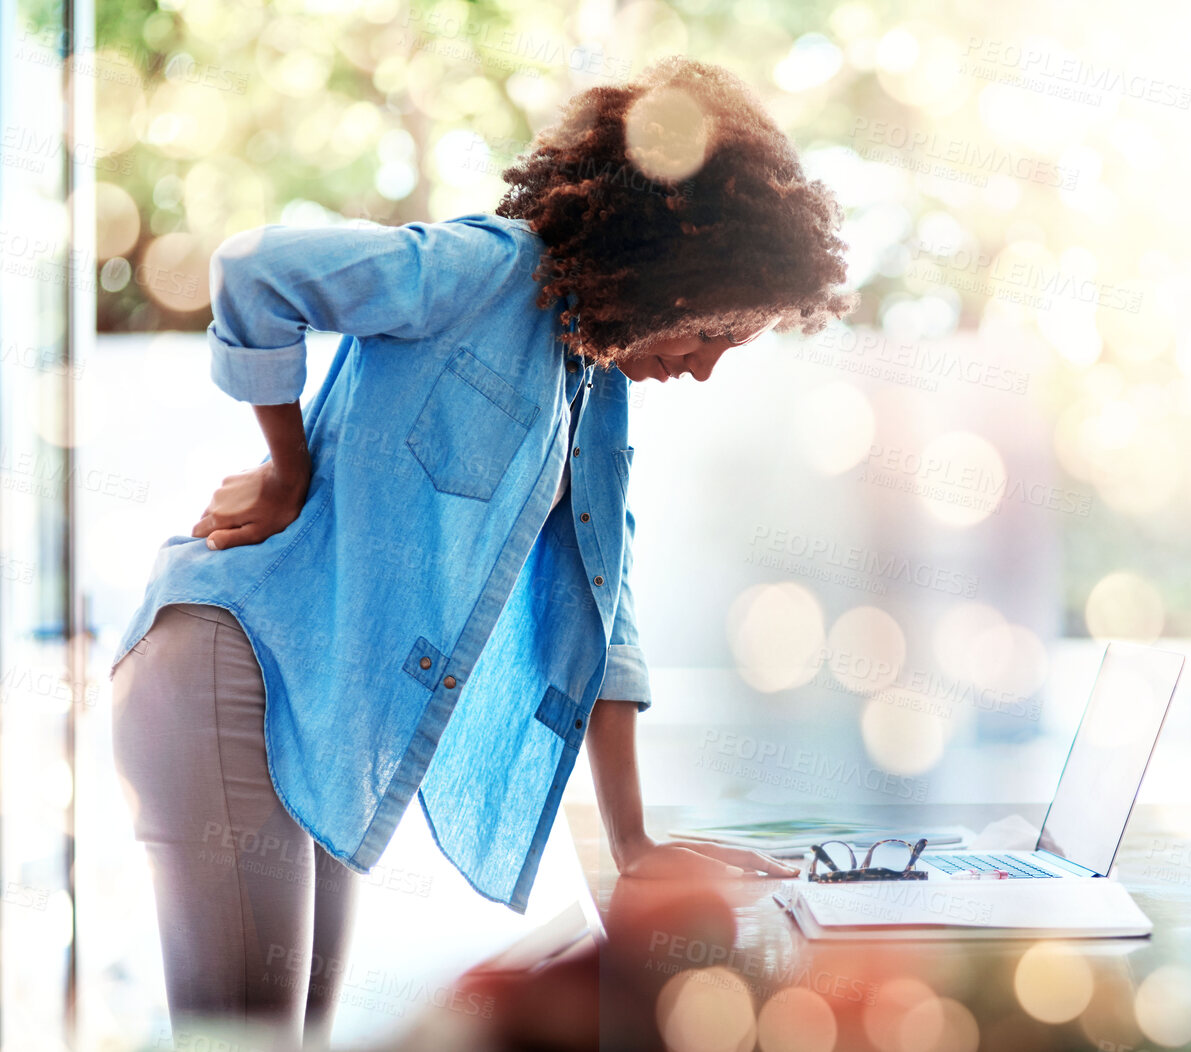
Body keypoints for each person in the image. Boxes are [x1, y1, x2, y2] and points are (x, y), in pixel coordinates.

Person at [109, 56, 854, 1049]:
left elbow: (604, 602)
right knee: (246, 1037)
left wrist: (634, 841)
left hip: (324, 720)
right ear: (672, 269)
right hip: (231, 668)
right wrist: (284, 467)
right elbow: (256, 272)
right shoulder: (477, 271)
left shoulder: (594, 387)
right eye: (717, 326)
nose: (710, 365)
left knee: (296, 1028)